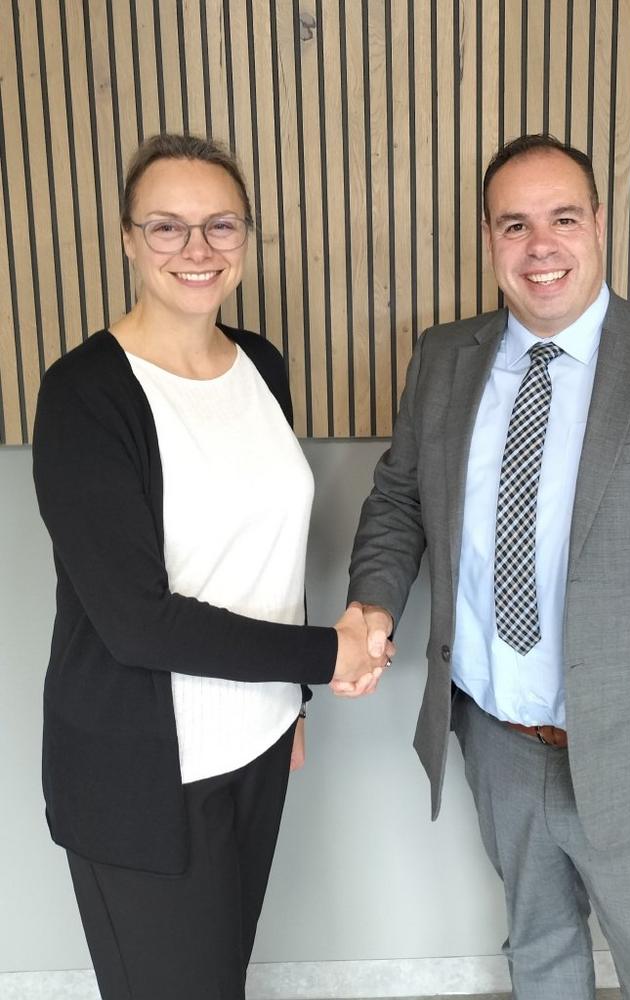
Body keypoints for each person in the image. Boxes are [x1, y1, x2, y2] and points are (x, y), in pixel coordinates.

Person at [346, 134, 630, 999]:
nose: (540, 246)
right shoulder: (445, 358)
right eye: (514, 225)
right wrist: (371, 602)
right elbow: (400, 498)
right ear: (489, 238)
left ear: (599, 222)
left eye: (562, 218)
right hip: (498, 738)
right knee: (540, 954)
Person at [32, 133, 389, 1000]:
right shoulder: (84, 395)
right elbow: (137, 622)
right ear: (128, 239)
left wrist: (290, 700)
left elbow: (269, 547)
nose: (197, 248)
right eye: (167, 226)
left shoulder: (259, 363)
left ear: (246, 237)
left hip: (257, 742)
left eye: (220, 225)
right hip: (144, 773)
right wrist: (326, 655)